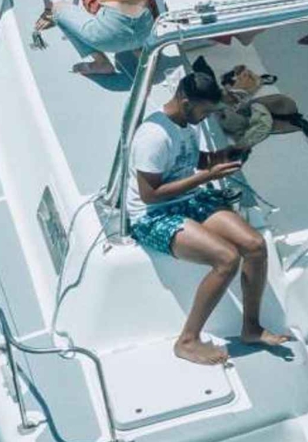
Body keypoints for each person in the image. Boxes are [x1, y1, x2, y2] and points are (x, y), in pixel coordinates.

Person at [126, 72, 294, 365]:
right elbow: (150, 195)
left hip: (187, 200)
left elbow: (195, 160)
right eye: (204, 111)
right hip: (152, 215)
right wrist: (206, 177)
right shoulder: (153, 137)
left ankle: (251, 328)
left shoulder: (187, 123)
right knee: (226, 258)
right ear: (185, 102)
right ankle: (187, 341)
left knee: (255, 245)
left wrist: (227, 154)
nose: (206, 118)